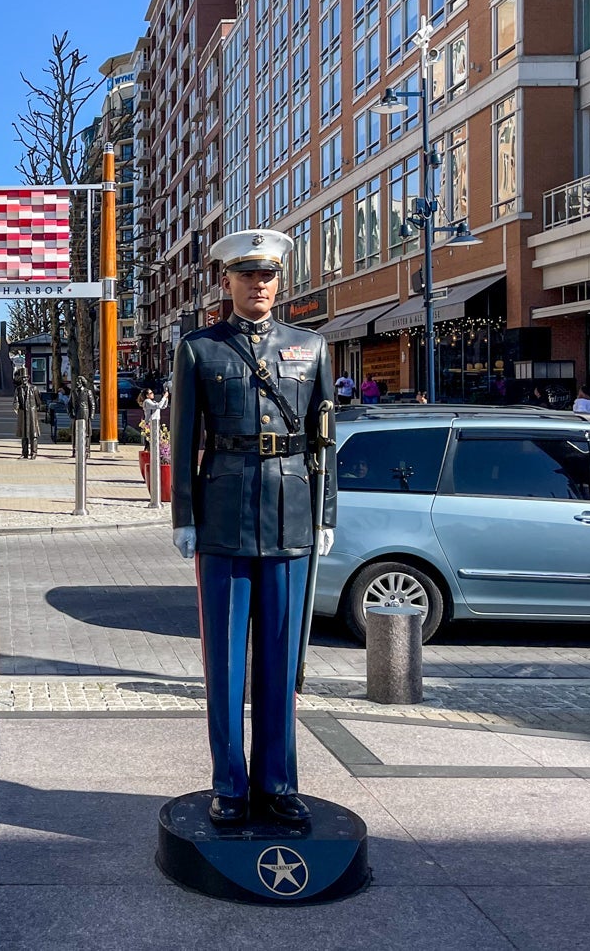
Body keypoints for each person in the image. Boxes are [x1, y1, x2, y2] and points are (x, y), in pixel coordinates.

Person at [169, 228, 337, 828]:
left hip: (291, 511)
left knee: (280, 657)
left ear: (280, 280)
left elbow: (325, 442)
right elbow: (184, 439)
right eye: (246, 276)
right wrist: (184, 515)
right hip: (223, 514)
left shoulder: (312, 347)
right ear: (227, 282)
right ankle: (229, 785)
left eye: (267, 276)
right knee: (226, 663)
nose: (258, 285)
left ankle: (277, 781)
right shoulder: (199, 349)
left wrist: (327, 514)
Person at [14, 365, 42, 459]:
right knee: (24, 435)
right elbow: (16, 400)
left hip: (32, 413)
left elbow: (38, 402)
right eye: (22, 378)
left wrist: (34, 410)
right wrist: (16, 406)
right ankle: (24, 453)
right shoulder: (18, 389)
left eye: (25, 377)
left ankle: (34, 453)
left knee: (33, 435)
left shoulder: (34, 388)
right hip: (22, 413)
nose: (24, 379)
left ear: (28, 378)